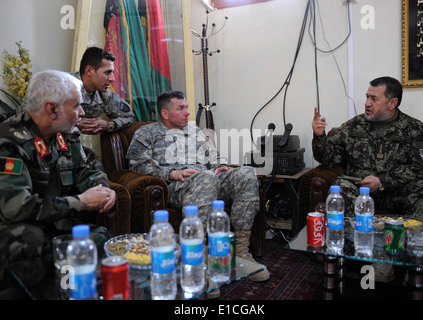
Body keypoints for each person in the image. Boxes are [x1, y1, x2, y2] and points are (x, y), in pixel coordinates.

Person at [126, 90, 270, 285]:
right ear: (165, 113)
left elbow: (214, 156)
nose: (187, 112)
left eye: (187, 107)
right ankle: (198, 262)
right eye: (181, 108)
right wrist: (170, 174)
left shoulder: (196, 132)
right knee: (206, 179)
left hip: (209, 179)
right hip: (179, 187)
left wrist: (221, 165)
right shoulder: (147, 133)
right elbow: (137, 165)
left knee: (246, 173)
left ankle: (241, 252)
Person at [0, 70, 116, 293]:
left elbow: (86, 170)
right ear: (52, 109)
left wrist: (102, 189)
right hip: (18, 233)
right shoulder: (9, 142)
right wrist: (81, 202)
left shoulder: (64, 135)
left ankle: (80, 293)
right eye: (76, 106)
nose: (82, 113)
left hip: (53, 228)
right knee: (29, 240)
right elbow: (16, 209)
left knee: (99, 236)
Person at [312, 76, 423, 221]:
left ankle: (409, 239)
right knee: (340, 189)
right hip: (359, 190)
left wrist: (382, 181)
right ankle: (348, 240)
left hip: (398, 191)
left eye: (374, 99)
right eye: (367, 97)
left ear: (392, 103)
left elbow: (422, 169)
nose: (367, 104)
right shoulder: (353, 126)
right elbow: (329, 158)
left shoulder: (415, 129)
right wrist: (319, 136)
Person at [73, 46, 135, 134]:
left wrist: (108, 125)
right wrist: (75, 122)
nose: (112, 79)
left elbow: (129, 117)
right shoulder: (63, 87)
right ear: (89, 70)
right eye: (107, 72)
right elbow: (48, 114)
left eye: (112, 73)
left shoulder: (104, 95)